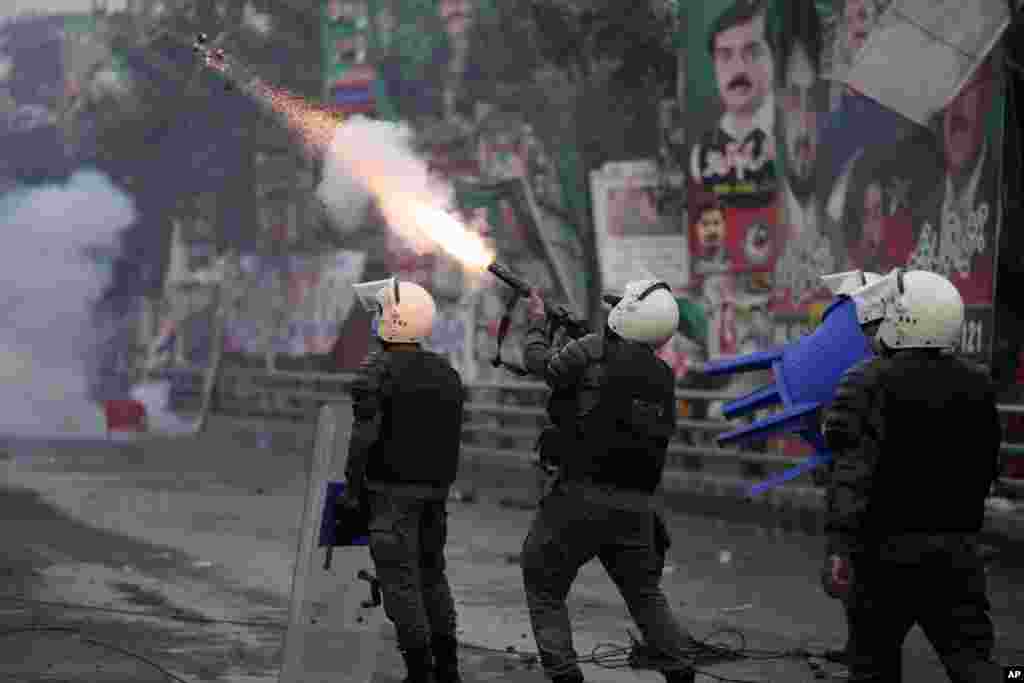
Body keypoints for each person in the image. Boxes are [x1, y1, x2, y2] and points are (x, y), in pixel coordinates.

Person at [821, 269, 1004, 682]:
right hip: (957, 554)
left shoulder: (866, 380)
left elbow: (849, 476)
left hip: (882, 559)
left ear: (902, 320)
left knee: (872, 667)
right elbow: (989, 466)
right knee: (976, 664)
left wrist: (838, 548)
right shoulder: (977, 384)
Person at [519, 279, 700, 683]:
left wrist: (535, 323)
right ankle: (681, 670)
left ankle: (565, 674)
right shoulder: (662, 375)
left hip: (578, 498)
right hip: (637, 508)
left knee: (542, 582)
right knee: (645, 595)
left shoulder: (590, 351)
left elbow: (540, 363)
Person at [340, 278, 467, 683]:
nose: (374, 320)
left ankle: (419, 674)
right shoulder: (446, 372)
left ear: (392, 322)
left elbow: (363, 440)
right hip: (435, 496)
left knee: (400, 586)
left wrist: (352, 493)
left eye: (379, 314)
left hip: (390, 497)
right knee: (433, 578)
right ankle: (448, 670)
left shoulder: (376, 372)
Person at [689, 0, 776, 202]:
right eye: (725, 56)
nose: (738, 68)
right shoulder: (701, 155)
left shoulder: (797, 139)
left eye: (753, 52)